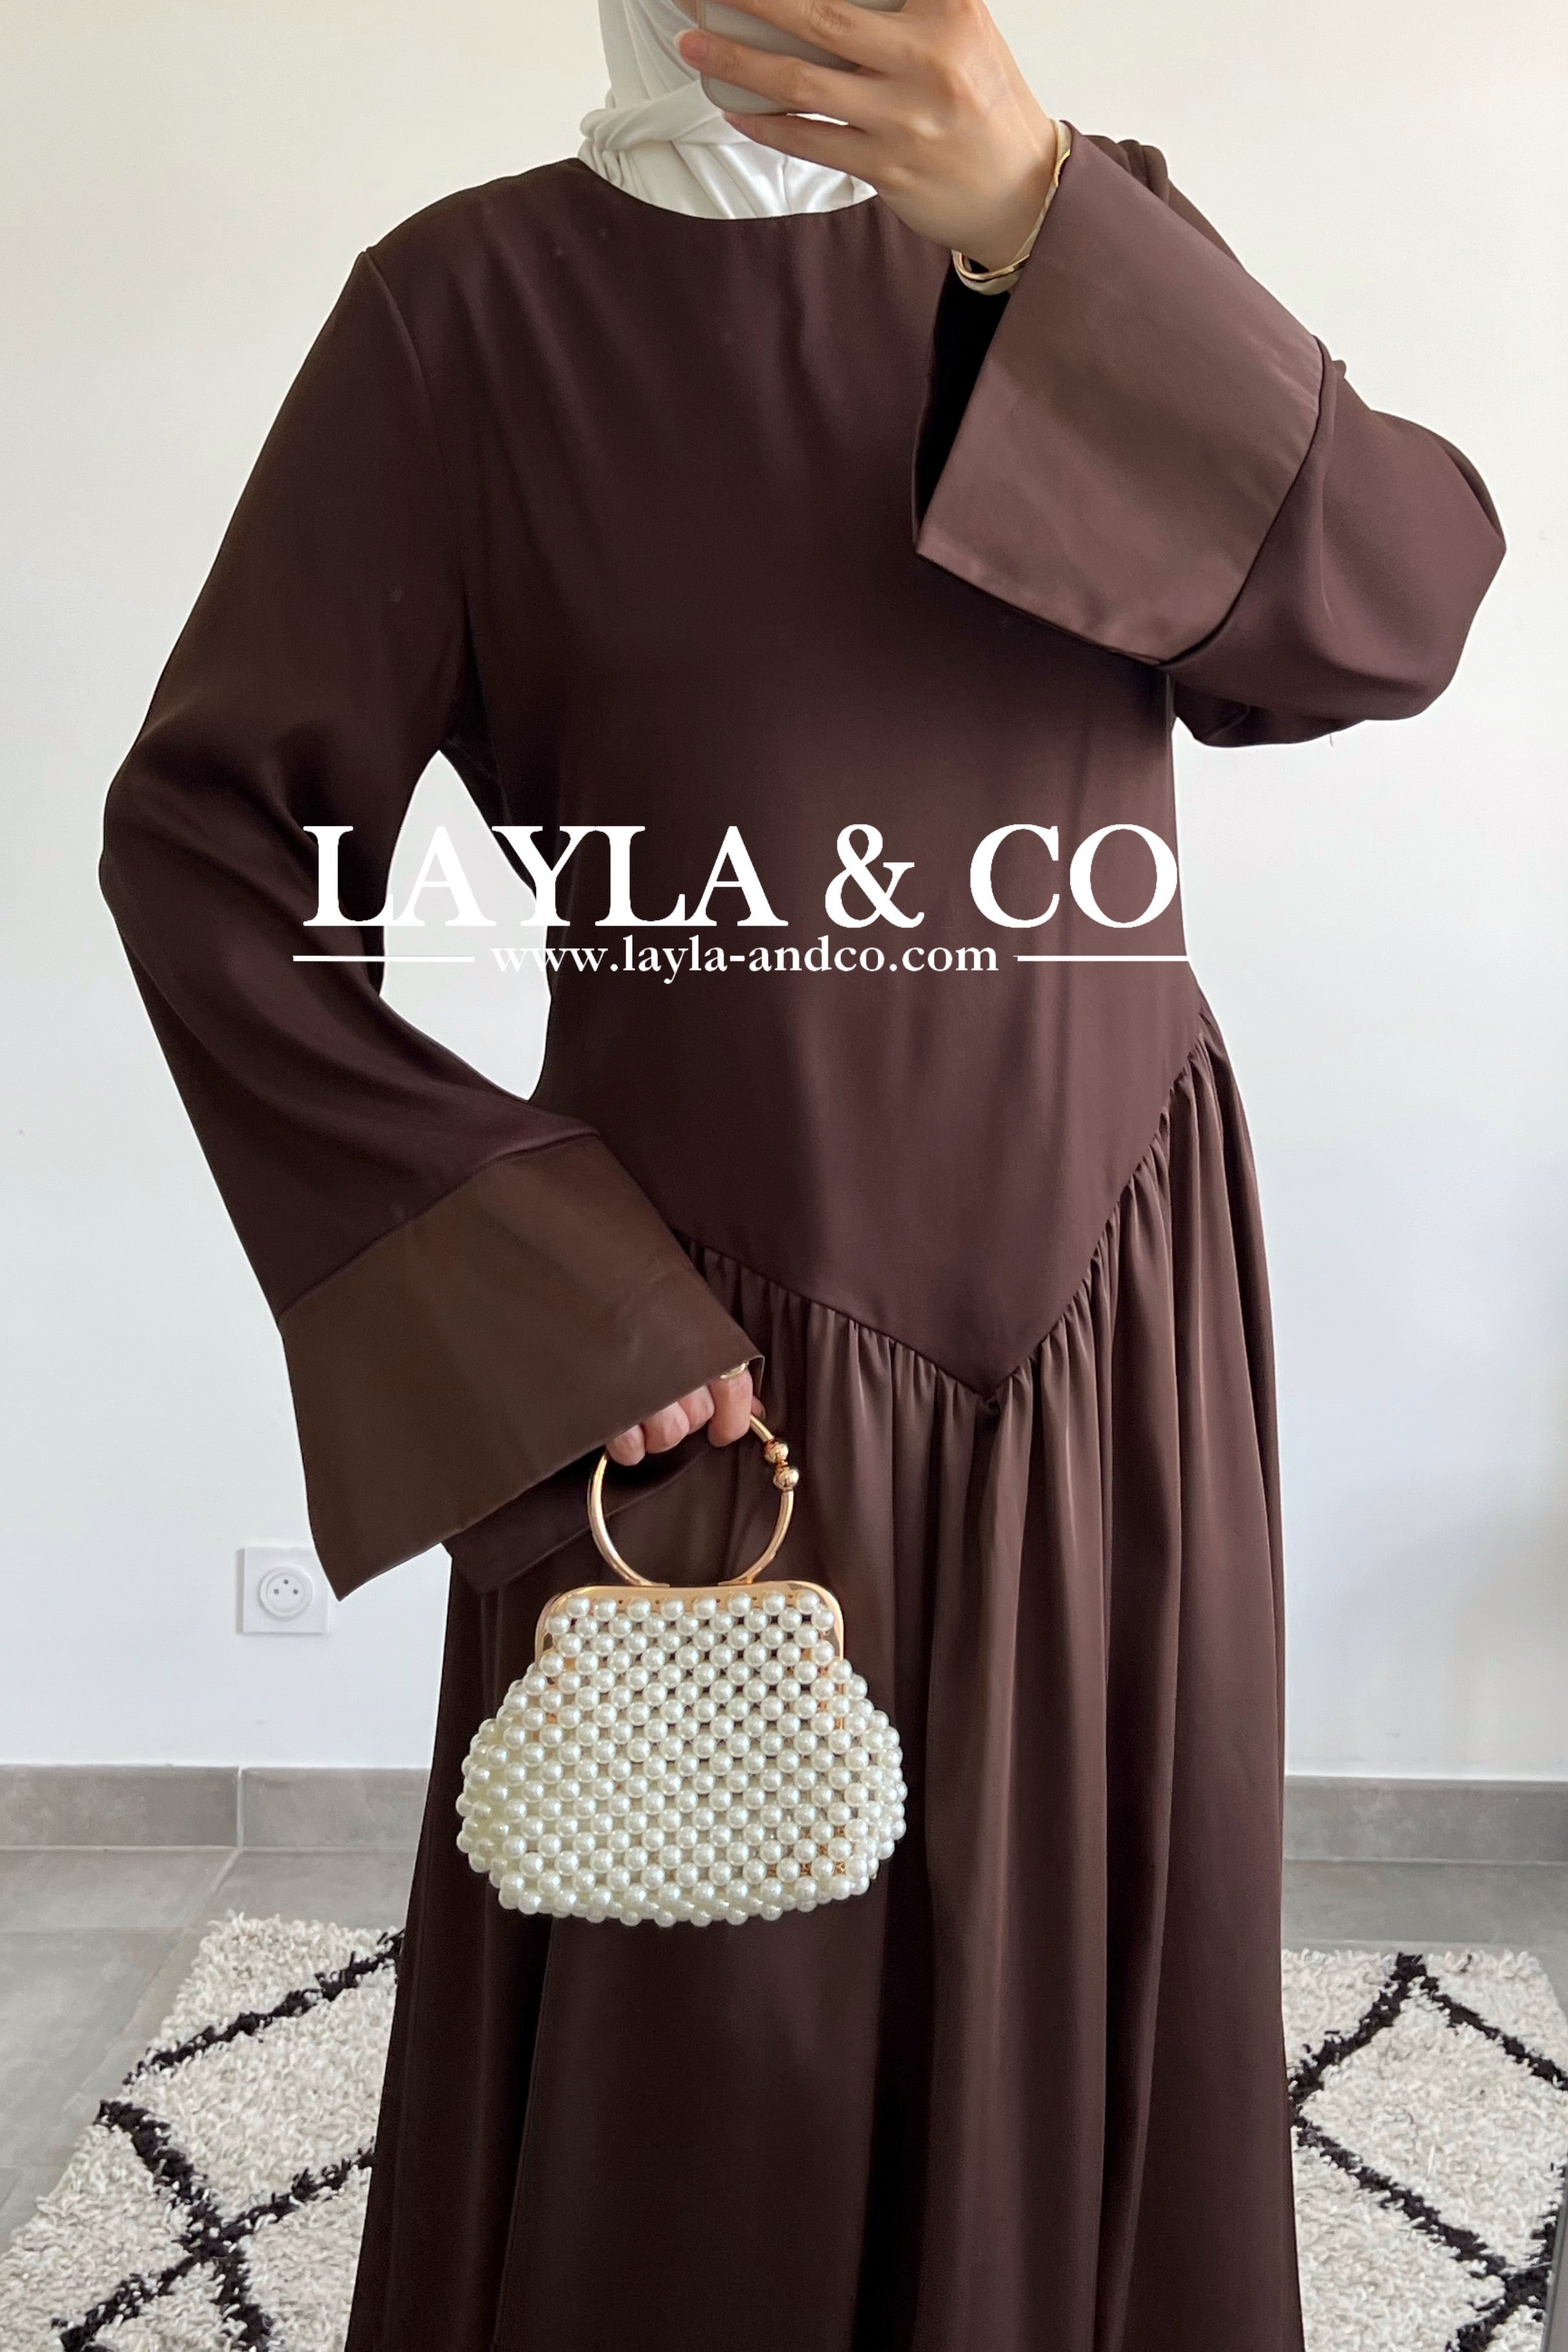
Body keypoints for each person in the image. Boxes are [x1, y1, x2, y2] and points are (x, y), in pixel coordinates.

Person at [98, 0, 1504, 2341]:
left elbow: (1393, 612)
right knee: (704, 2066)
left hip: (1111, 1315)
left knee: (1109, 1981)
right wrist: (546, 1300)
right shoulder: (467, 318)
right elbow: (211, 849)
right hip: (705, 1368)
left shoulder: (1087, 233)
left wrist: (1047, 216)